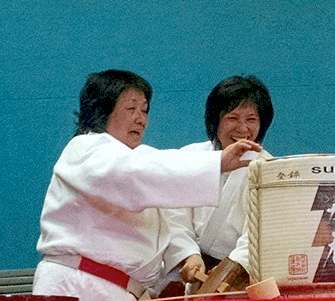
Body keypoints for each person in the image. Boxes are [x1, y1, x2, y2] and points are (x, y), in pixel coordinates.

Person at [32, 69, 261, 301]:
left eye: (144, 110)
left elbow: (163, 222)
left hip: (116, 289)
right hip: (80, 286)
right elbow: (139, 171)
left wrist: (187, 256)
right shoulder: (85, 148)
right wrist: (218, 163)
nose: (141, 118)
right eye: (131, 109)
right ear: (102, 110)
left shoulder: (134, 162)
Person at [162, 75, 274, 294]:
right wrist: (188, 254)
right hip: (194, 273)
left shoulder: (268, 169)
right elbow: (172, 218)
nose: (243, 128)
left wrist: (229, 269)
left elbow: (259, 235)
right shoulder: (190, 157)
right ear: (216, 120)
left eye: (251, 119)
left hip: (238, 280)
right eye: (233, 118)